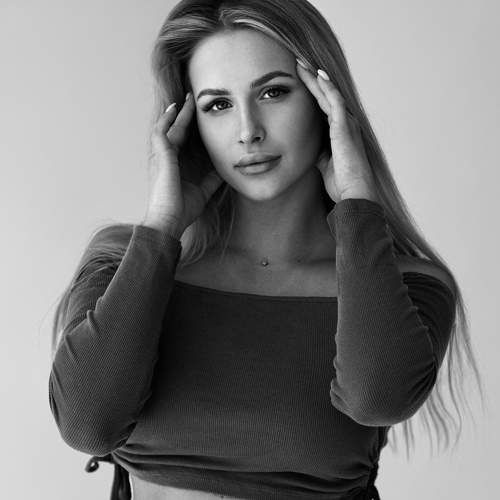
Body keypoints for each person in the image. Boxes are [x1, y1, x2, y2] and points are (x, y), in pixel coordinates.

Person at [48, 1, 485, 499]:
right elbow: (87, 423)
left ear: (325, 101)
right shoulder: (123, 262)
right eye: (218, 105)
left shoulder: (406, 285)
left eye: (273, 92)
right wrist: (162, 226)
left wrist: (358, 204)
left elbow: (378, 398)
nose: (247, 130)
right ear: (189, 125)